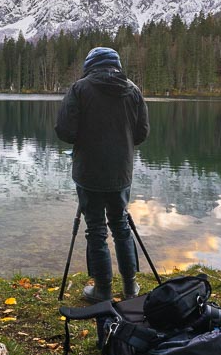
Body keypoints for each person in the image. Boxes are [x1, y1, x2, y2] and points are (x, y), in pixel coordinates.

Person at [55, 47, 150, 302]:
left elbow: (64, 131)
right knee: (120, 226)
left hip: (89, 173)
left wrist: (85, 137)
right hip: (121, 172)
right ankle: (130, 288)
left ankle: (103, 290)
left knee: (96, 229)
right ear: (116, 65)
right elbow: (141, 133)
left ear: (90, 65)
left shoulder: (80, 89)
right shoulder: (133, 90)